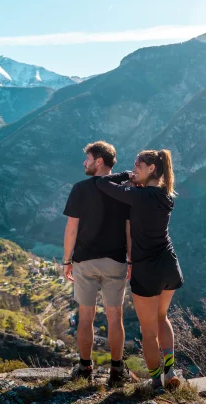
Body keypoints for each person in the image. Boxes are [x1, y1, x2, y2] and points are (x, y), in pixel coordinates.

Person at [95, 149, 183, 392]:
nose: (133, 168)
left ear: (152, 168)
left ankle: (155, 382)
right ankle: (170, 370)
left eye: (137, 165)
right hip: (169, 265)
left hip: (147, 269)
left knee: (148, 330)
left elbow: (102, 183)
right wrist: (138, 180)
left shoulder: (137, 196)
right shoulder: (166, 196)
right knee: (162, 318)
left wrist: (125, 175)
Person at [62, 141, 137, 387]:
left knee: (86, 317)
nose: (84, 162)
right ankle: (117, 370)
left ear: (99, 161)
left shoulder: (80, 189)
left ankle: (85, 368)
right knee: (115, 317)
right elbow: (129, 228)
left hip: (85, 260)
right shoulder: (125, 190)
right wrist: (130, 259)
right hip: (115, 261)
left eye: (88, 158)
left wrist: (66, 260)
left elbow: (71, 229)